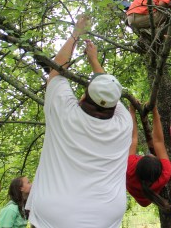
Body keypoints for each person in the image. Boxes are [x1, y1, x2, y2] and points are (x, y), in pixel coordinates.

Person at [25, 15, 133, 228]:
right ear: (113, 106)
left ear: (84, 96)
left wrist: (77, 33)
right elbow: (109, 94)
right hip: (105, 214)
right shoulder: (123, 125)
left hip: (55, 213)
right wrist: (95, 62)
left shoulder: (64, 113)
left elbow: (57, 69)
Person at [126, 103, 171, 210]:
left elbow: (133, 139)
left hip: (138, 192)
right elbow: (159, 142)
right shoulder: (165, 173)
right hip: (148, 196)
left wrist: (131, 111)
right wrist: (155, 111)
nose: (151, 154)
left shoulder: (129, 168)